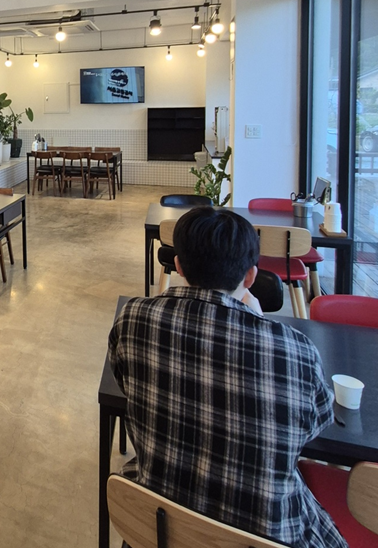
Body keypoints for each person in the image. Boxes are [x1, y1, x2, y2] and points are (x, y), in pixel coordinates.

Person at [108, 207, 346, 548]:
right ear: (251, 277)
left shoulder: (132, 319)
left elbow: (122, 378)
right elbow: (316, 424)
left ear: (179, 266)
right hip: (265, 536)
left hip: (157, 527)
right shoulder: (295, 351)